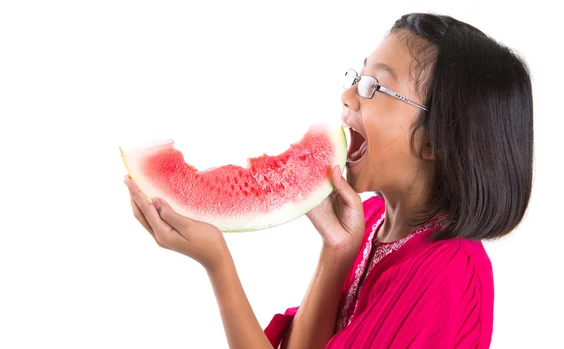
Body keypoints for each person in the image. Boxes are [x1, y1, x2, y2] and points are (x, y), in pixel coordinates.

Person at [124, 12, 533, 349]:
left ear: (434, 139)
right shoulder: (369, 219)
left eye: (376, 87)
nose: (349, 96)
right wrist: (337, 252)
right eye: (358, 76)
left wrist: (218, 263)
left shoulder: (449, 274)